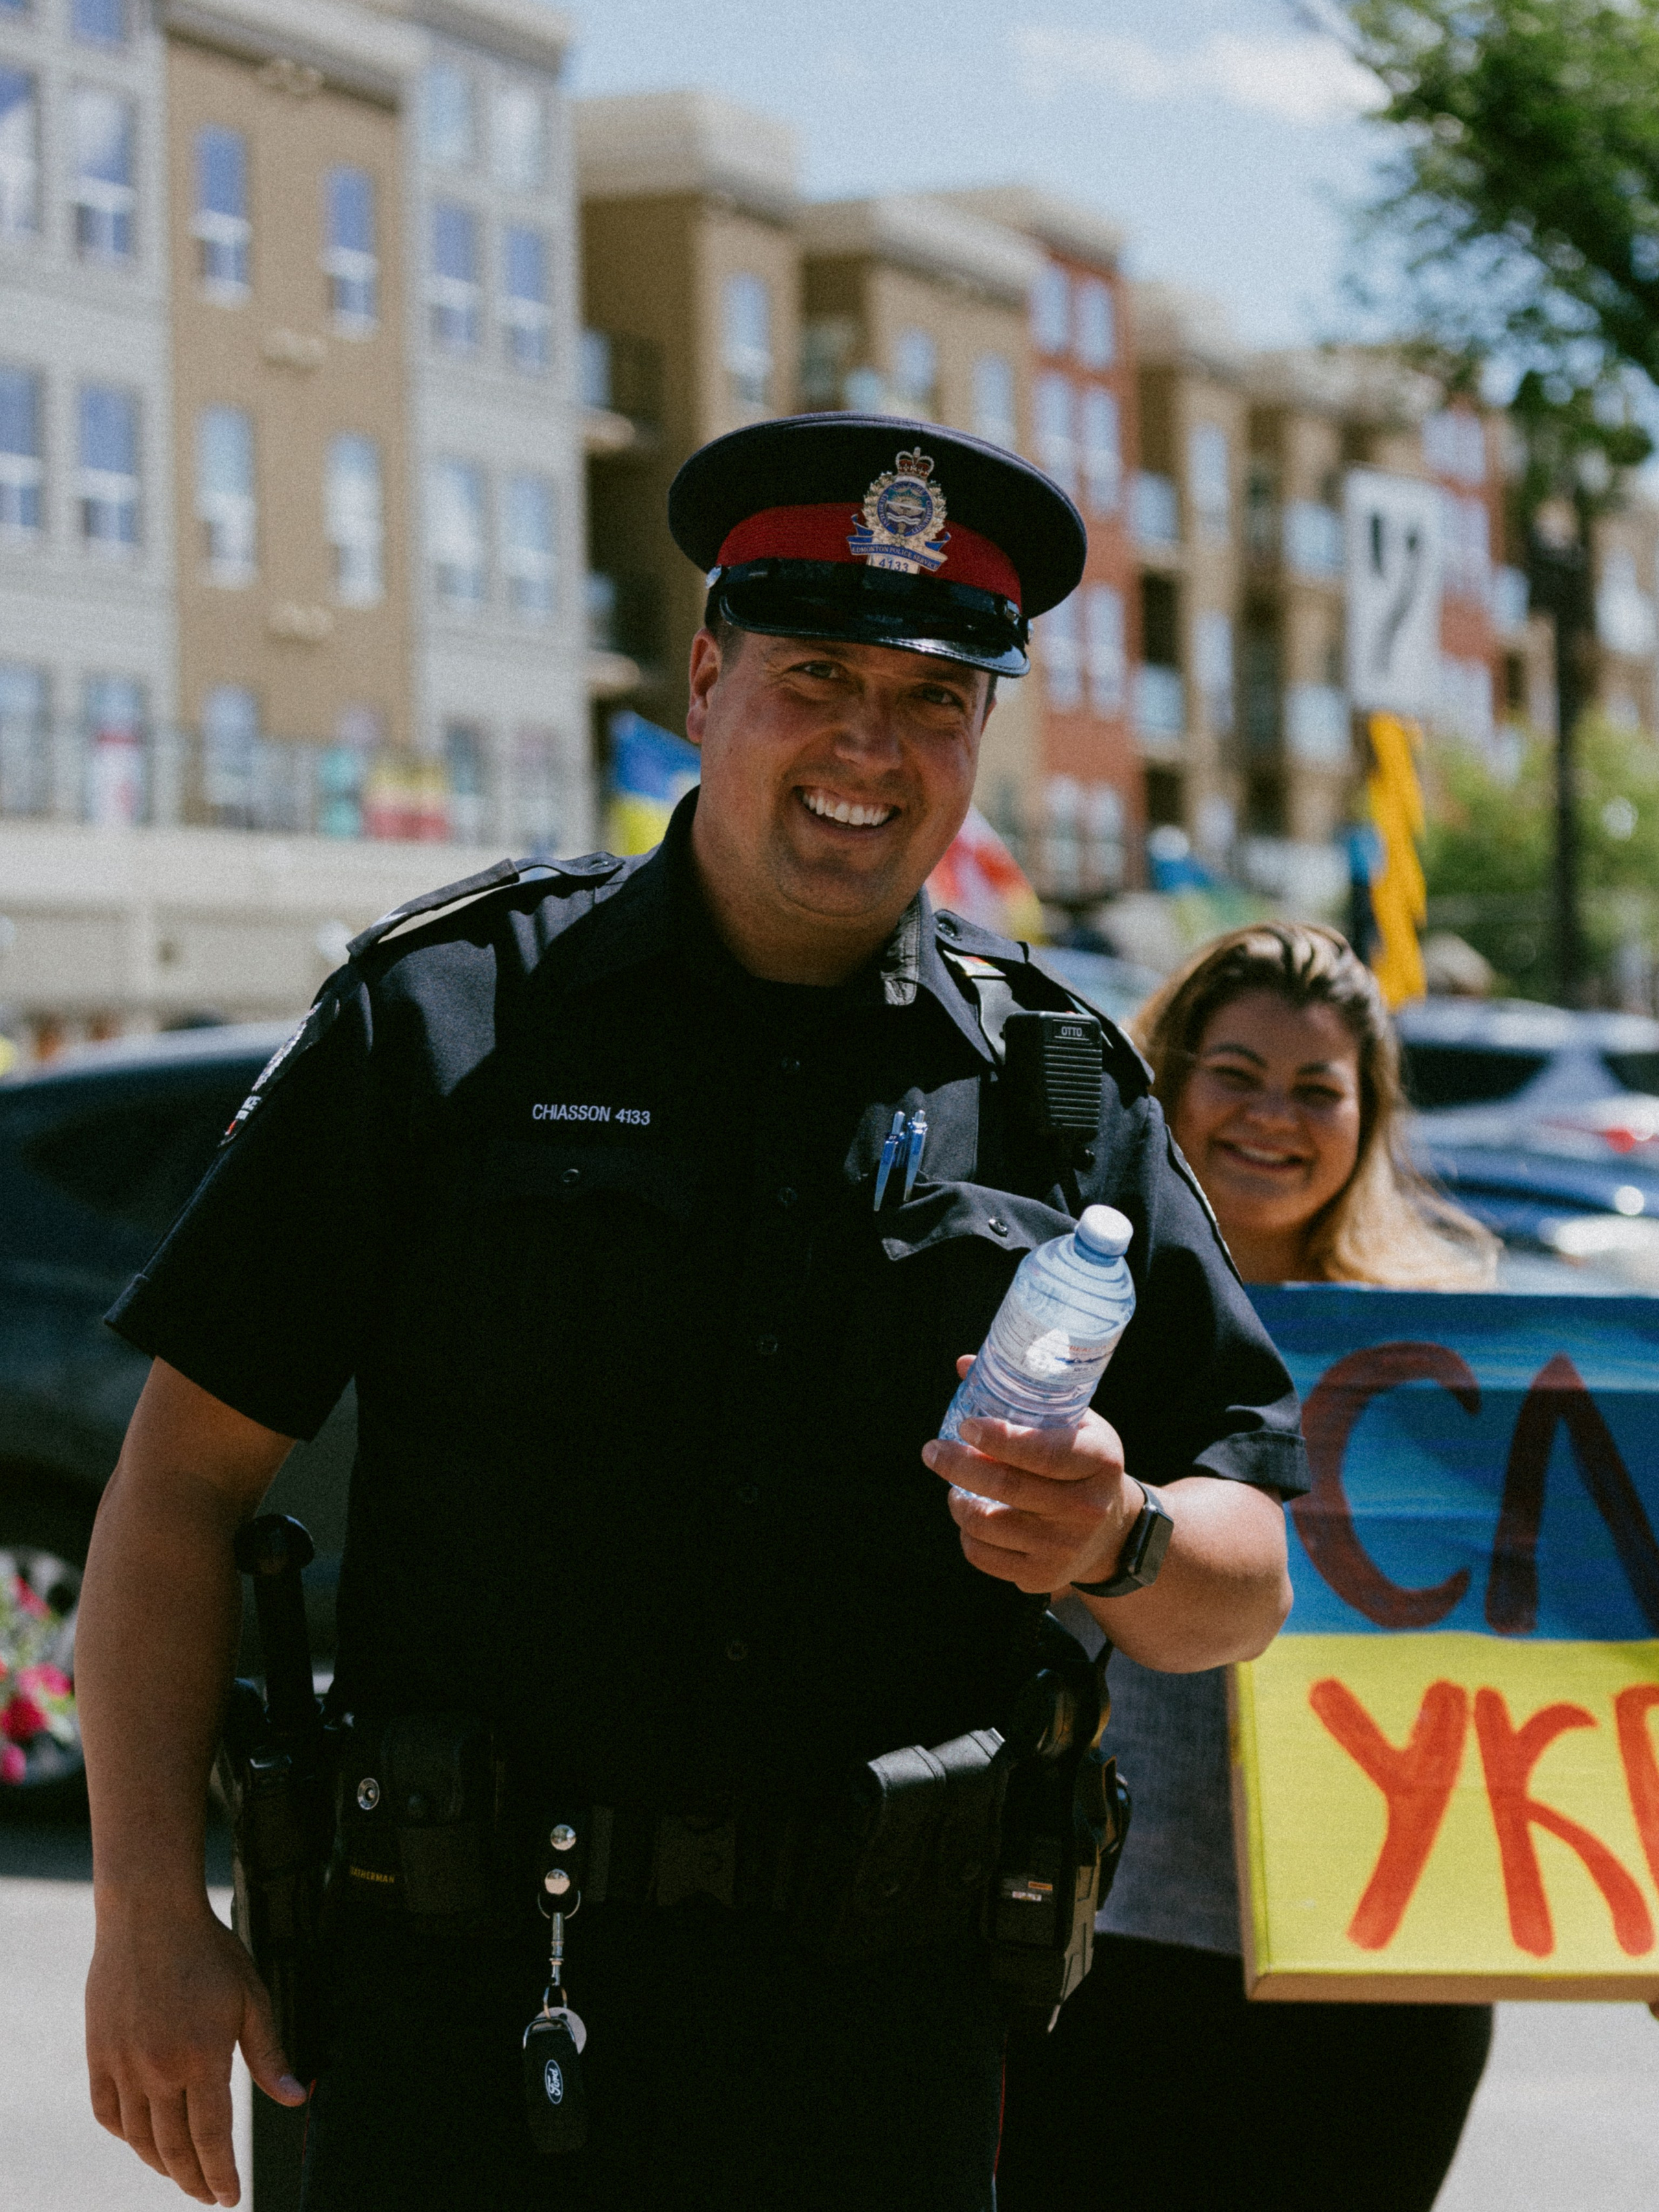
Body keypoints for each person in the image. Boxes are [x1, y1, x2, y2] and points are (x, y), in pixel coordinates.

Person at [77, 415, 1306, 2212]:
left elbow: (1252, 1560)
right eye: (819, 676)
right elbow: (180, 1486)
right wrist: (143, 1914)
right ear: (709, 675)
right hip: (453, 2012)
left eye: (935, 699)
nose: (870, 748)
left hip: (864, 2044)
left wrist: (1116, 1533)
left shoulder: (1056, 1092)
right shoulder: (446, 1023)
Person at [998, 921, 1500, 2212]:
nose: (1270, 1116)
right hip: (1089, 1945)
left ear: (1366, 1118)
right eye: (1234, 1072)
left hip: (1377, 1962)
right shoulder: (1051, 1315)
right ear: (1163, 1079)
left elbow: (1578, 1642)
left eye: (1315, 1089)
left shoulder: (1475, 1370)